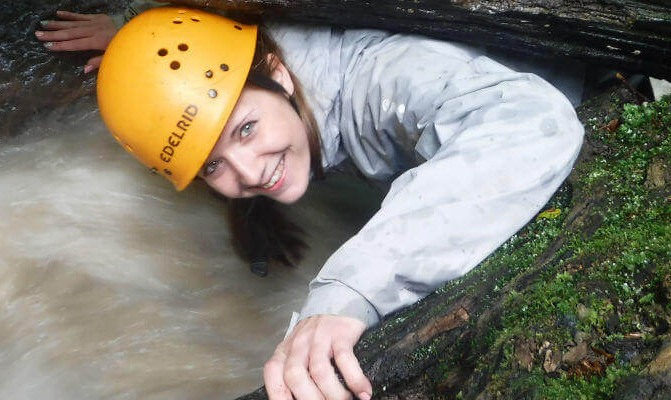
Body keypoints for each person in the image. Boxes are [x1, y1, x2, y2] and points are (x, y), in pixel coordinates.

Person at [38, 6, 584, 400]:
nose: (250, 173)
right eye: (212, 165)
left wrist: (347, 293)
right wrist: (134, 34)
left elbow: (531, 121)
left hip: (585, 85)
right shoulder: (281, 82)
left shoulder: (378, 79)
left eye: (246, 128)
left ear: (276, 72)